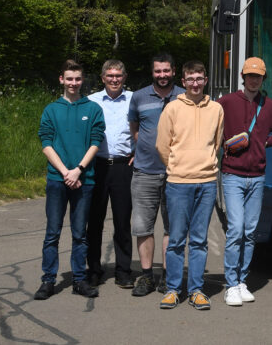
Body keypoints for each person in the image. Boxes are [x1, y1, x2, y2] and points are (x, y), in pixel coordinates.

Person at [218, 56, 272, 307]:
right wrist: (221, 144)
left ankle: (242, 280)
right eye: (249, 75)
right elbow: (210, 124)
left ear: (263, 79)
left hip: (257, 176)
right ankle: (231, 284)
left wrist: (265, 142)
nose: (253, 80)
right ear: (243, 77)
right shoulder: (227, 102)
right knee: (236, 229)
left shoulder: (269, 106)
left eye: (258, 76)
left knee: (250, 232)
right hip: (232, 175)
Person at [34, 59, 105, 300]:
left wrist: (78, 170)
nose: (74, 83)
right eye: (69, 79)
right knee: (52, 232)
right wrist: (65, 171)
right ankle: (48, 280)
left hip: (85, 179)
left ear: (82, 80)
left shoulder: (92, 108)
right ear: (61, 80)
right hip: (57, 179)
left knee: (80, 233)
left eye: (78, 79)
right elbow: (46, 143)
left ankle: (79, 280)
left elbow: (96, 141)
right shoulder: (51, 110)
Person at [155, 60, 224, 311]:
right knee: (175, 239)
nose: (195, 83)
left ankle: (196, 290)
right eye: (190, 79)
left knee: (199, 240)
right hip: (178, 183)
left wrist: (204, 165)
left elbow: (217, 144)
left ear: (205, 80)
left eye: (199, 78)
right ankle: (173, 289)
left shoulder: (216, 109)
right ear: (183, 82)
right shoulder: (172, 108)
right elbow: (162, 146)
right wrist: (177, 165)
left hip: (206, 182)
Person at [127, 53, 184, 298]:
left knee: (172, 228)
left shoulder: (184, 96)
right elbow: (135, 129)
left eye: (166, 71)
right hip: (145, 171)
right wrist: (147, 150)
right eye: (158, 71)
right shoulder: (138, 97)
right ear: (153, 72)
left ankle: (167, 278)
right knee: (143, 227)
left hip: (176, 173)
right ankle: (147, 276)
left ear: (173, 71)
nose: (162, 75)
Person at [85, 59, 134, 289]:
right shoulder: (91, 101)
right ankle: (94, 269)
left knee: (123, 221)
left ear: (124, 77)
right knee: (94, 221)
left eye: (118, 76)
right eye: (110, 76)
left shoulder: (134, 99)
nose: (114, 79)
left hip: (124, 166)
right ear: (103, 77)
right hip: (98, 165)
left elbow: (144, 127)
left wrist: (139, 153)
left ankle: (123, 270)